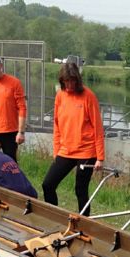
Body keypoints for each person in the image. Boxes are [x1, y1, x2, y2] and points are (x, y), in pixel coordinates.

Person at [42, 62, 104, 216]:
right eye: (65, 81)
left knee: (80, 189)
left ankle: (84, 224)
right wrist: (56, 150)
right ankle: (54, 216)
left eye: (72, 81)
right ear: (61, 81)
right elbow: (56, 125)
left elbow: (98, 128)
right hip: (65, 150)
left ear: (78, 80)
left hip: (87, 152)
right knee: (48, 184)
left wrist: (100, 157)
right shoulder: (60, 96)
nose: (69, 84)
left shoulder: (88, 96)